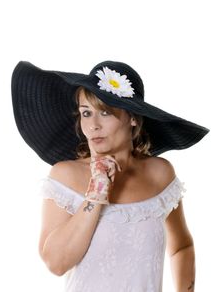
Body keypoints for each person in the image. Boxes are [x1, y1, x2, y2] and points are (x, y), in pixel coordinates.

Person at [11, 60, 209, 292]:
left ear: (133, 118)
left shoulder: (160, 174)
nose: (93, 125)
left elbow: (182, 247)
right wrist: (96, 191)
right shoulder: (65, 175)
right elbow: (56, 263)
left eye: (105, 112)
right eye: (86, 113)